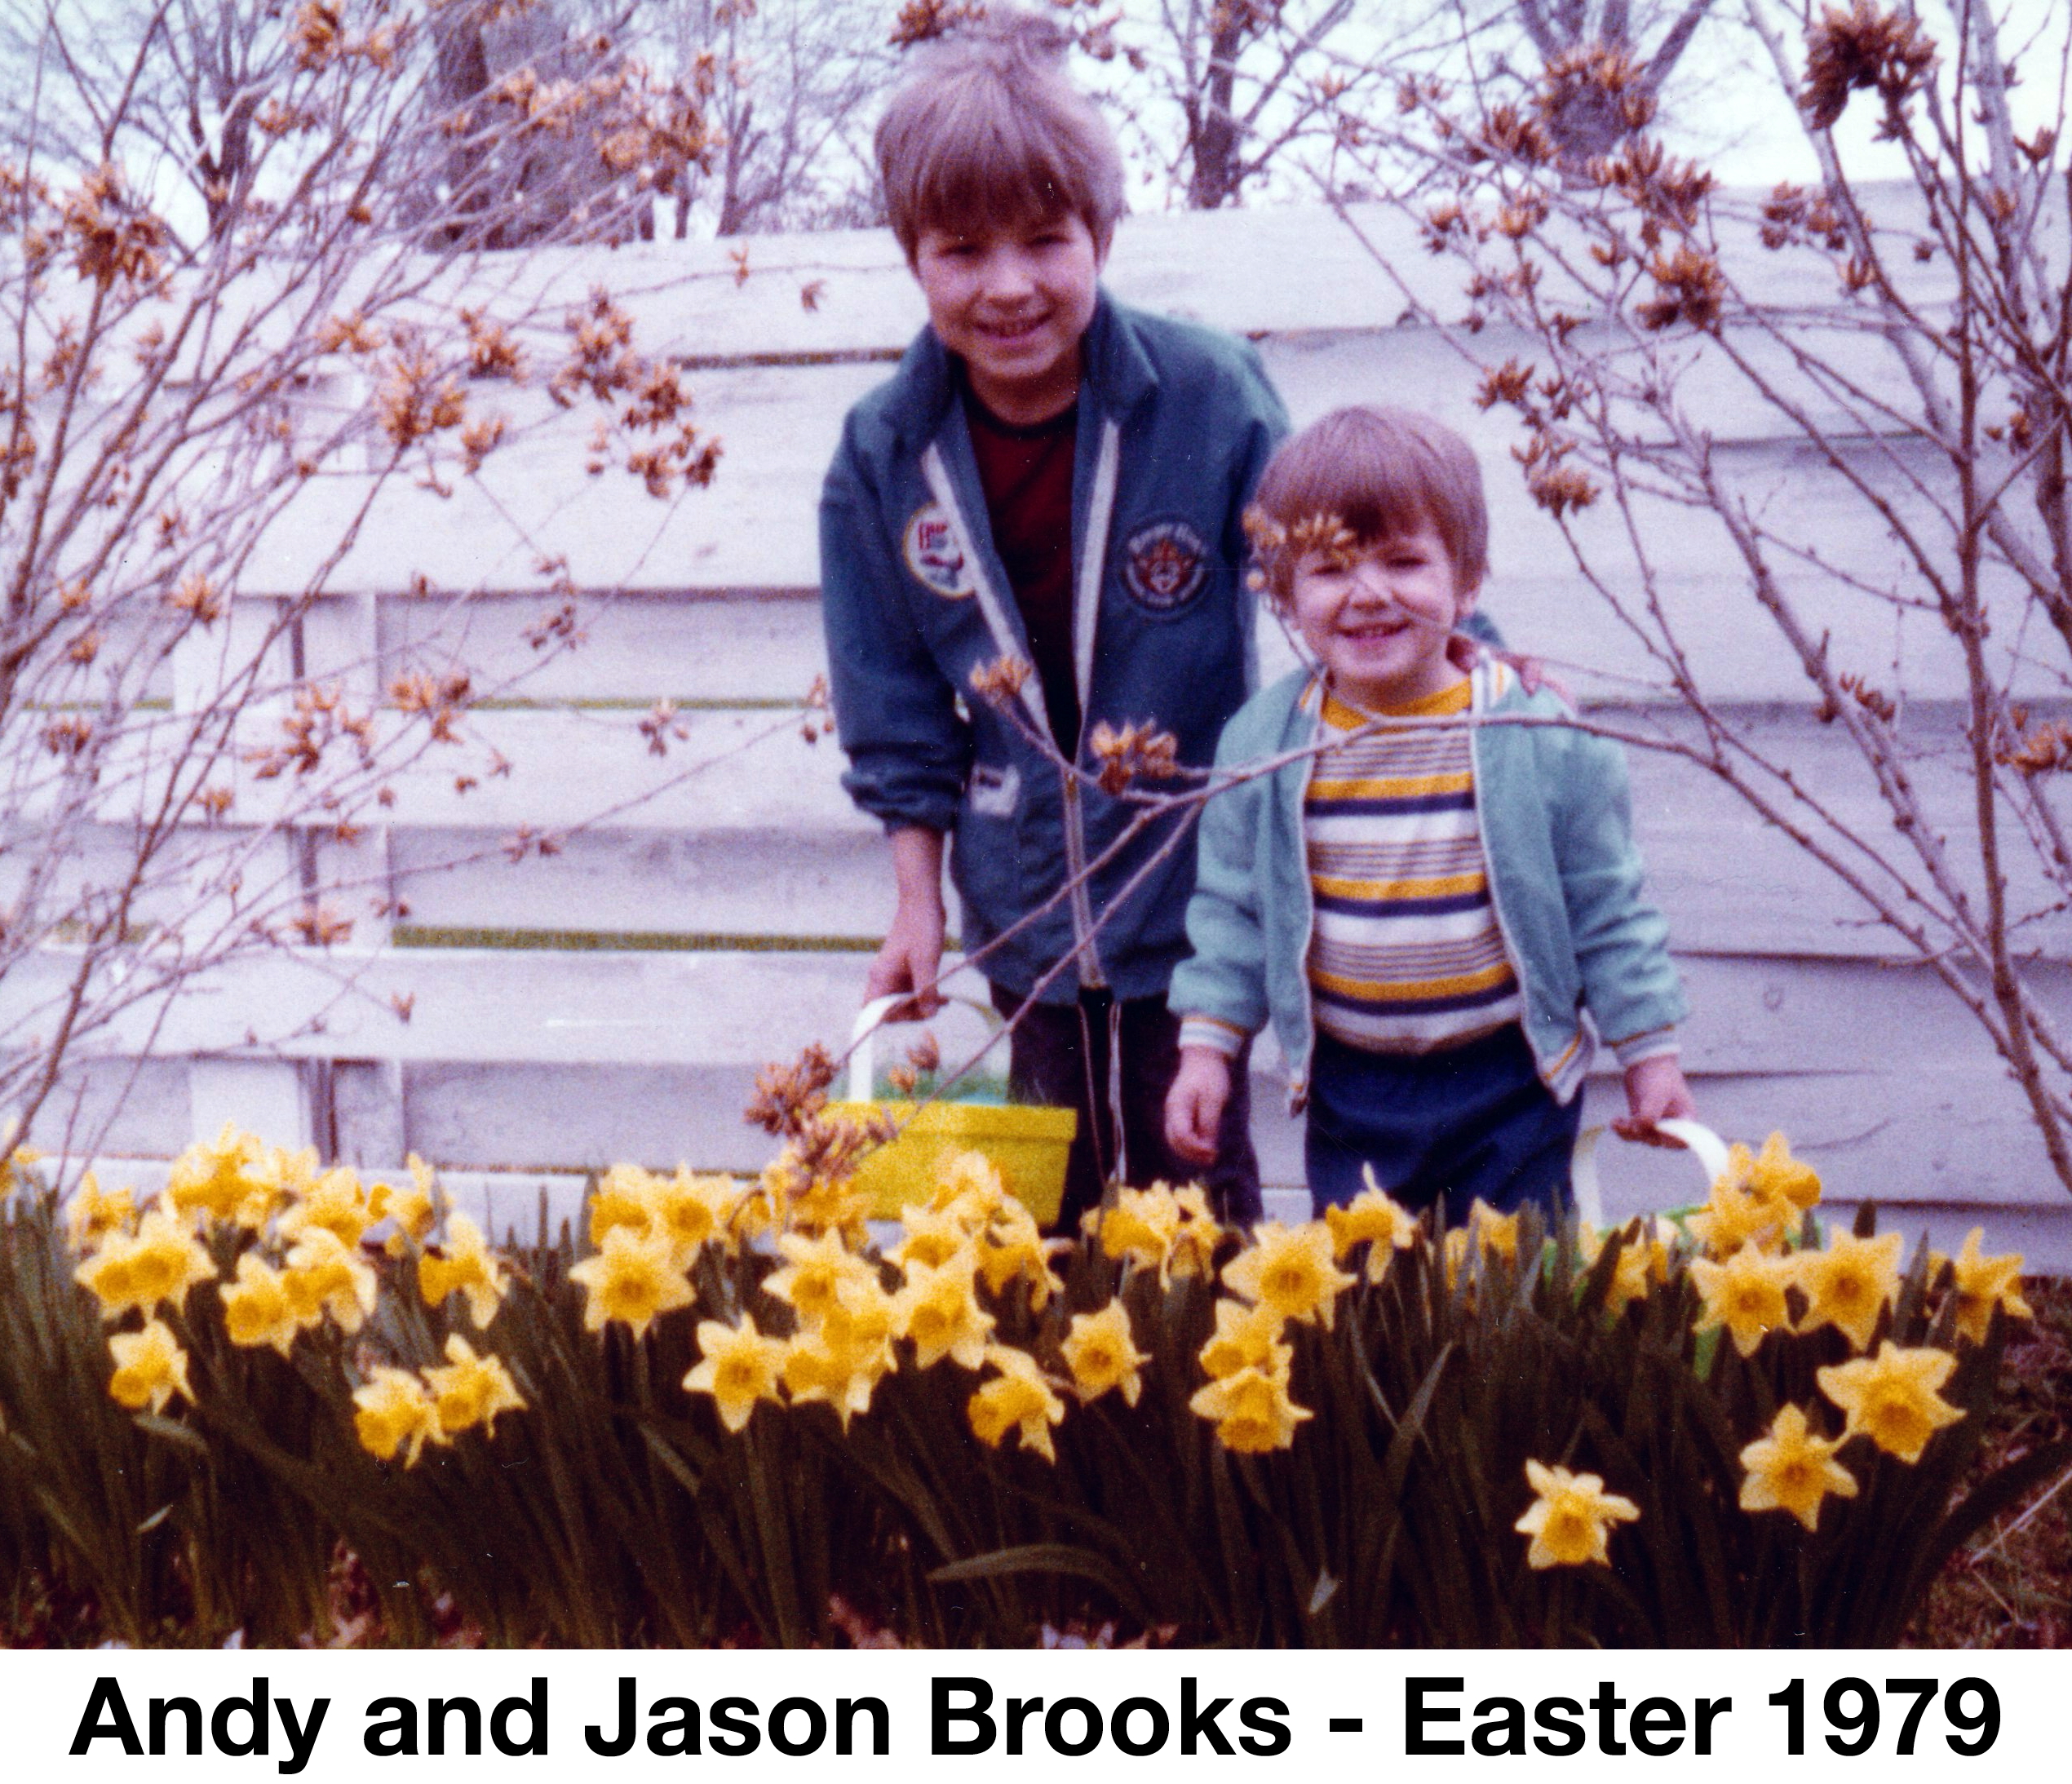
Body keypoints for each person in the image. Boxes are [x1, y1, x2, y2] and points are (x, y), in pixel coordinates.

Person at [817, 11, 1286, 1232]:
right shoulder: (885, 452)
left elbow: (1333, 553)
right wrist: (918, 904)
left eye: (1045, 240)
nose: (1010, 286)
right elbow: (894, 709)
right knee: (1041, 1243)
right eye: (963, 250)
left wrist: (1471, 647)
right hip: (1018, 921)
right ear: (912, 256)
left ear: (1103, 235)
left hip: (1187, 911)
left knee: (1200, 1238)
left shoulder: (1208, 396)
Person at [1164, 406, 1695, 1216]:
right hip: (1352, 1081)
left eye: (1404, 562)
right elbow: (1232, 912)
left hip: (1509, 1074)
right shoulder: (1266, 744)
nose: (1368, 594)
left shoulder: (1532, 733)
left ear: (1467, 580)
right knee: (1367, 1298)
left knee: (1508, 1302)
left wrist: (1649, 1054)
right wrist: (1206, 1051)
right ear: (1281, 589)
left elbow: (1605, 906)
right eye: (1330, 568)